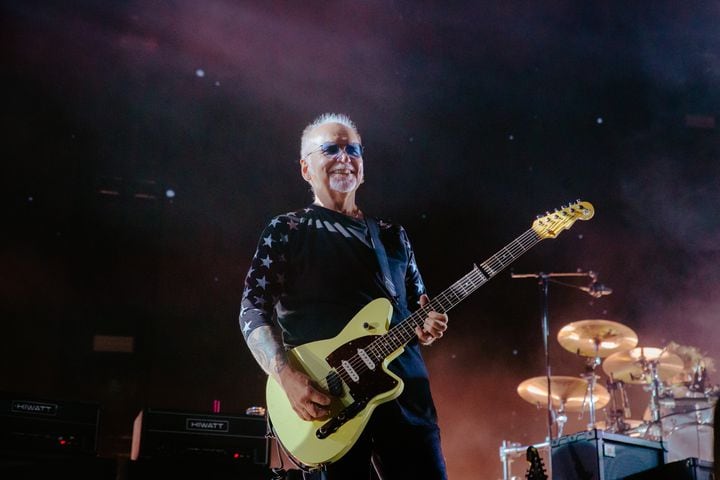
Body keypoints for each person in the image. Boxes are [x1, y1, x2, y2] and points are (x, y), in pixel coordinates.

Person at [239, 113, 449, 479]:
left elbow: (418, 308)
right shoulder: (287, 229)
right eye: (330, 149)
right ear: (306, 169)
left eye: (353, 149)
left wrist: (427, 324)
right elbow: (252, 308)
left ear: (362, 167)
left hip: (406, 399)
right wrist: (286, 377)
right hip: (331, 399)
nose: (344, 157)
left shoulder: (392, 236)